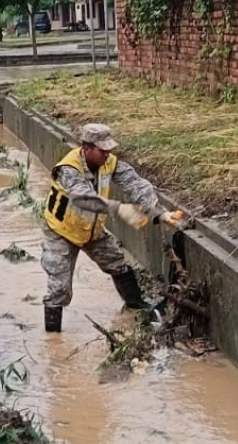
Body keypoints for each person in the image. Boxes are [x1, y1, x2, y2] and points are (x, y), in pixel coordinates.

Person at [41, 124, 183, 333]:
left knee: (117, 263)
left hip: (91, 229)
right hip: (61, 230)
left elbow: (136, 184)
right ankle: (53, 340)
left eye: (109, 150)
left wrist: (159, 212)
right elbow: (85, 199)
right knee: (59, 288)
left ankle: (136, 306)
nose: (107, 155)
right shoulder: (68, 169)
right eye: (102, 150)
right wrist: (120, 209)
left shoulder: (110, 163)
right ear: (87, 148)